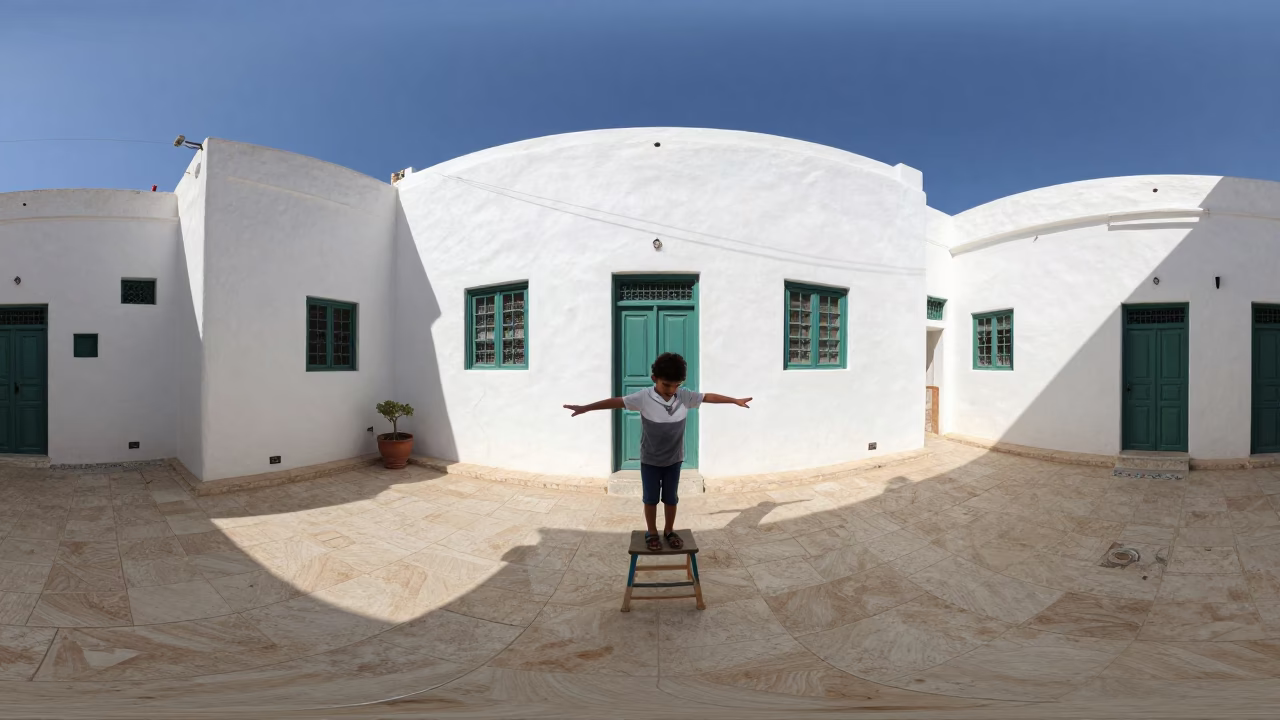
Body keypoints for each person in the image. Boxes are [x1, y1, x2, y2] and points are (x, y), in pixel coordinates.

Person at [563, 352, 752, 552]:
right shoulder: (643, 398)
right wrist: (586, 408)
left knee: (671, 498)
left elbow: (707, 397)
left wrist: (734, 400)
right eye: (666, 385)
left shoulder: (684, 396)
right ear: (654, 379)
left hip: (674, 461)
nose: (671, 390)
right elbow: (616, 402)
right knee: (650, 499)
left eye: (676, 385)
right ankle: (651, 532)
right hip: (650, 461)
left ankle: (669, 531)